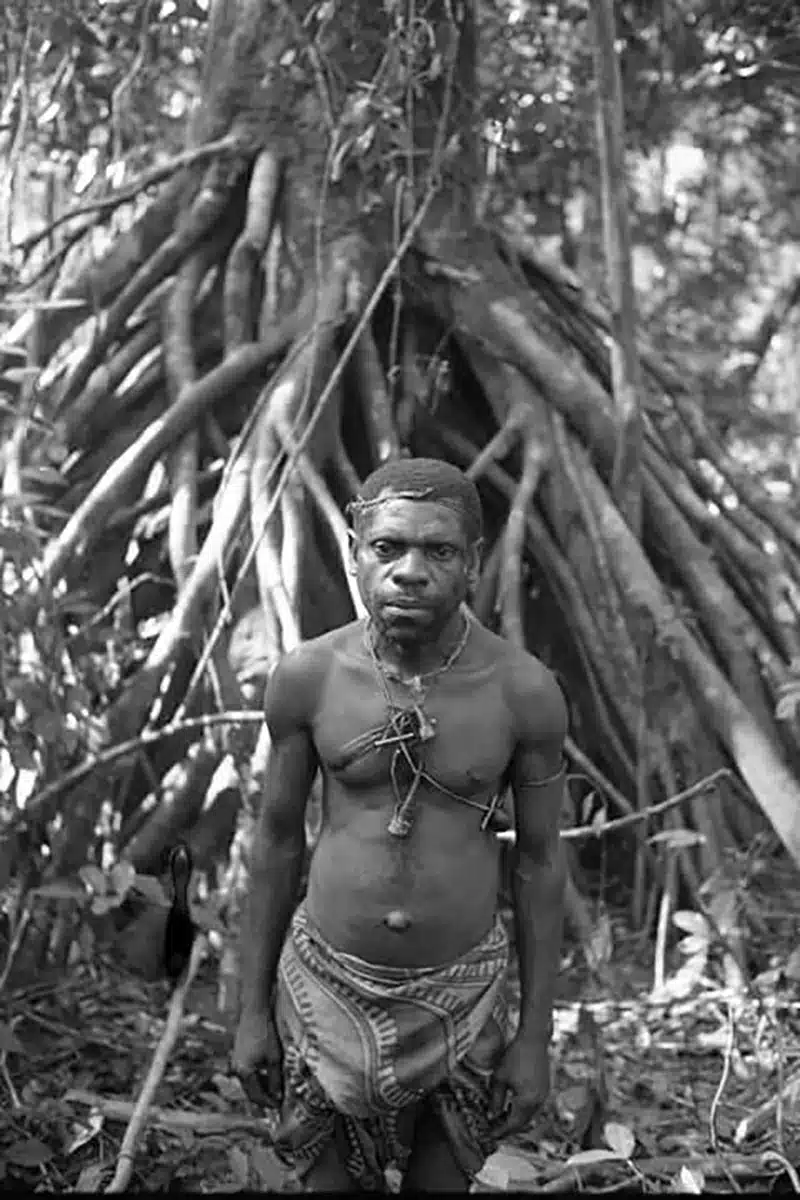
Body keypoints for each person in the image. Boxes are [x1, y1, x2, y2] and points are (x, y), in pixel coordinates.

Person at [231, 456, 567, 1192]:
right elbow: (278, 842)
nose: (409, 571)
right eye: (388, 548)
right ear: (355, 553)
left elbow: (541, 864)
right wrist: (251, 1009)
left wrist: (534, 1036)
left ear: (473, 563)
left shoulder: (524, 692)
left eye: (438, 551)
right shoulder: (308, 677)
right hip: (325, 987)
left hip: (464, 995)